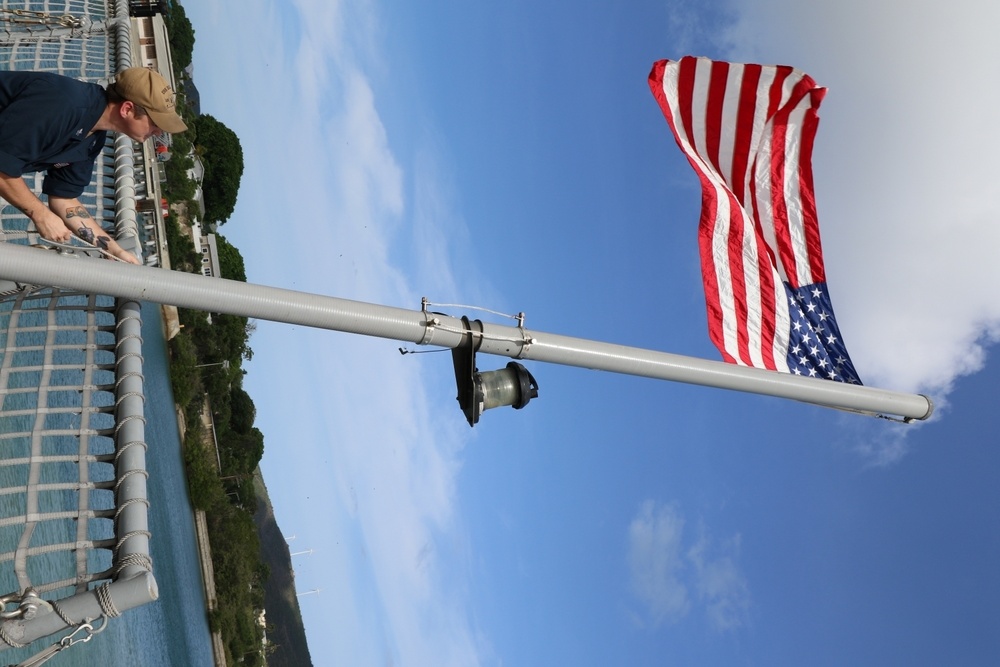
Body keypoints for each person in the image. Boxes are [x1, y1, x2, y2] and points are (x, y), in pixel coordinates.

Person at [0, 67, 187, 264]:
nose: (158, 132)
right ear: (127, 109)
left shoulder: (93, 138)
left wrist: (115, 251)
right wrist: (40, 214)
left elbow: (64, 199)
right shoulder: (65, 103)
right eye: (156, 123)